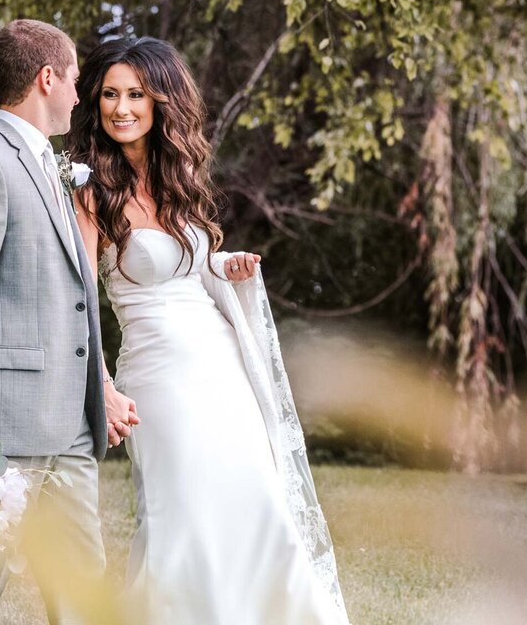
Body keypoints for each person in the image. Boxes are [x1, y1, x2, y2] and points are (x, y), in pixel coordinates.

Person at [67, 36, 349, 625]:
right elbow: (79, 297)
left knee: (255, 501)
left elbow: (187, 269)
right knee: (183, 516)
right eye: (109, 95)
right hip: (158, 374)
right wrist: (101, 385)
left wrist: (229, 265)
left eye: (136, 94)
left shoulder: (178, 180)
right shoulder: (90, 192)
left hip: (221, 366)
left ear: (161, 100)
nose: (121, 108)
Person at [0, 19, 139, 625]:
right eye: (74, 80)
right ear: (47, 78)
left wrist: (98, 385)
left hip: (69, 425)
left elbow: (71, 298)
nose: (79, 94)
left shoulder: (51, 165)